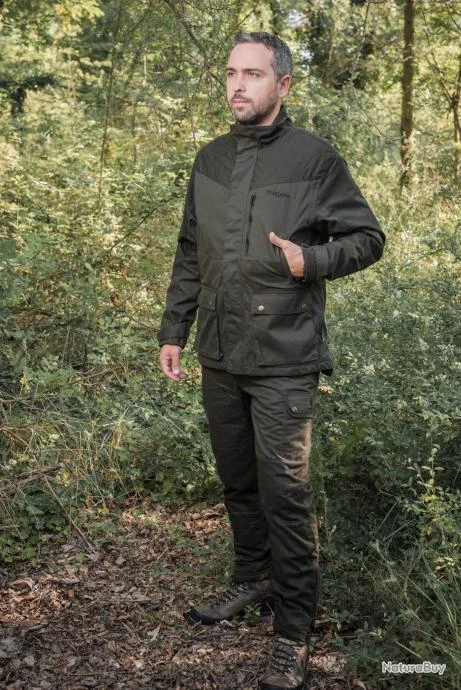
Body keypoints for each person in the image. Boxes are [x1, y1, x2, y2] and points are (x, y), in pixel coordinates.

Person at [158, 31, 385, 690]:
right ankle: (252, 578)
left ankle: (293, 630)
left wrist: (311, 259)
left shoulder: (315, 159)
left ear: (283, 84)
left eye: (252, 74)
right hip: (219, 351)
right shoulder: (209, 158)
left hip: (284, 355)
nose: (237, 84)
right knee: (237, 479)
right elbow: (190, 250)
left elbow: (368, 238)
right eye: (231, 72)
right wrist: (174, 329)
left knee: (284, 493)